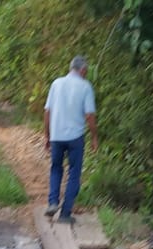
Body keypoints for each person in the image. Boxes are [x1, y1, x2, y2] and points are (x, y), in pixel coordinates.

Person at [43, 55, 98, 224]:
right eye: (86, 71)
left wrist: (47, 135)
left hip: (56, 136)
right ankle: (65, 213)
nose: (86, 74)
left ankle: (52, 202)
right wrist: (95, 137)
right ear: (82, 70)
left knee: (56, 168)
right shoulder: (85, 86)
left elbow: (47, 112)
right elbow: (89, 115)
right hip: (75, 137)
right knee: (74, 173)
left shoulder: (56, 84)